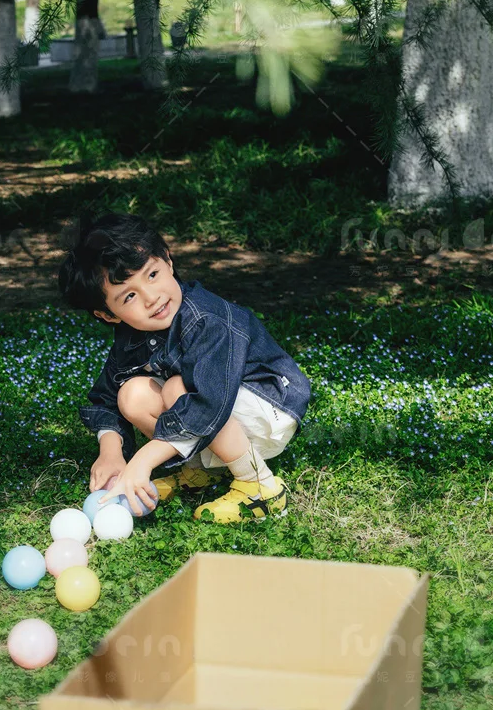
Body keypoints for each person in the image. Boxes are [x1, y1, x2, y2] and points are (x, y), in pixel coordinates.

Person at [58, 212, 311, 523]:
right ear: (109, 315)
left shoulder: (206, 319)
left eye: (152, 275)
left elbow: (209, 402)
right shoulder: (132, 335)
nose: (151, 298)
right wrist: (111, 452)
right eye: (130, 296)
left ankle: (259, 485)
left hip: (270, 407)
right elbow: (107, 397)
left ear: (168, 259)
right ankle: (198, 472)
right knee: (132, 394)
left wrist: (143, 460)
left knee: (180, 387)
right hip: (224, 414)